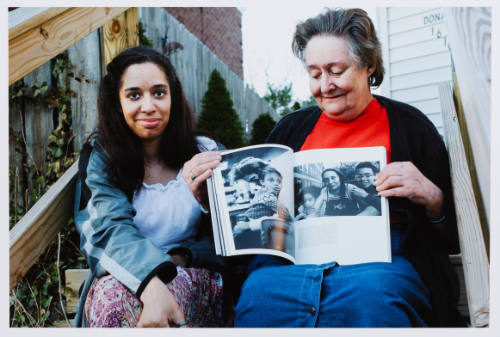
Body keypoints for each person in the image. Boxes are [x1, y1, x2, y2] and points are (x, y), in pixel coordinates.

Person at [234, 8, 463, 327]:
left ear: (368, 65)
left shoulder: (411, 128)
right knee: (258, 296)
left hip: (383, 264)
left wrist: (432, 197)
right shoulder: (289, 132)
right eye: (314, 74)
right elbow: (260, 219)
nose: (324, 85)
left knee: (377, 296)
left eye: (336, 70)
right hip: (293, 266)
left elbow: (455, 233)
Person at [73, 46, 227, 327]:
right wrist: (151, 285)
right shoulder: (102, 158)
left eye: (159, 93)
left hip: (195, 276)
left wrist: (185, 254)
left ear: (173, 96)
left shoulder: (206, 153)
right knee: (117, 301)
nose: (148, 106)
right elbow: (108, 232)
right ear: (117, 102)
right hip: (124, 275)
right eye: (134, 95)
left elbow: (230, 235)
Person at [232, 164, 292, 250]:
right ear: (262, 182)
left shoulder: (261, 193)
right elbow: (286, 215)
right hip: (248, 232)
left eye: (279, 181)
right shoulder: (268, 196)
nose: (276, 184)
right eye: (271, 180)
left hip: (246, 232)